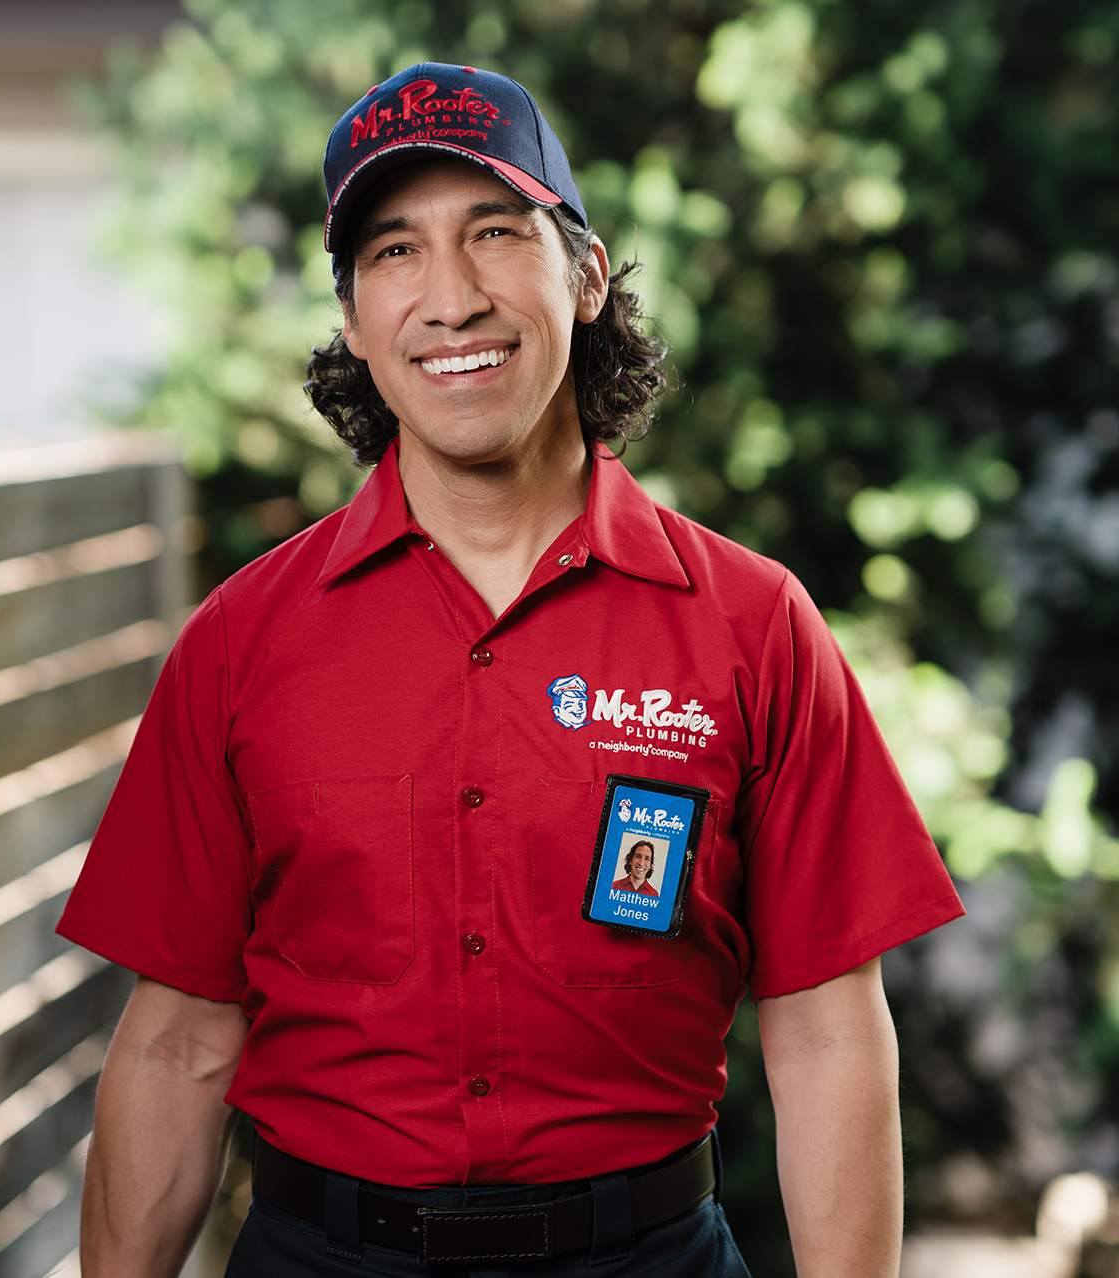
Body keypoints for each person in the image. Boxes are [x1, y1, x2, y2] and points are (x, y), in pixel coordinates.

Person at [58, 62, 965, 1278]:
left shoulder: (754, 627)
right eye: (393, 252)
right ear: (350, 316)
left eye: (495, 232)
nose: (451, 297)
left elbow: (829, 1036)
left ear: (585, 275)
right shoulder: (240, 643)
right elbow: (177, 1045)